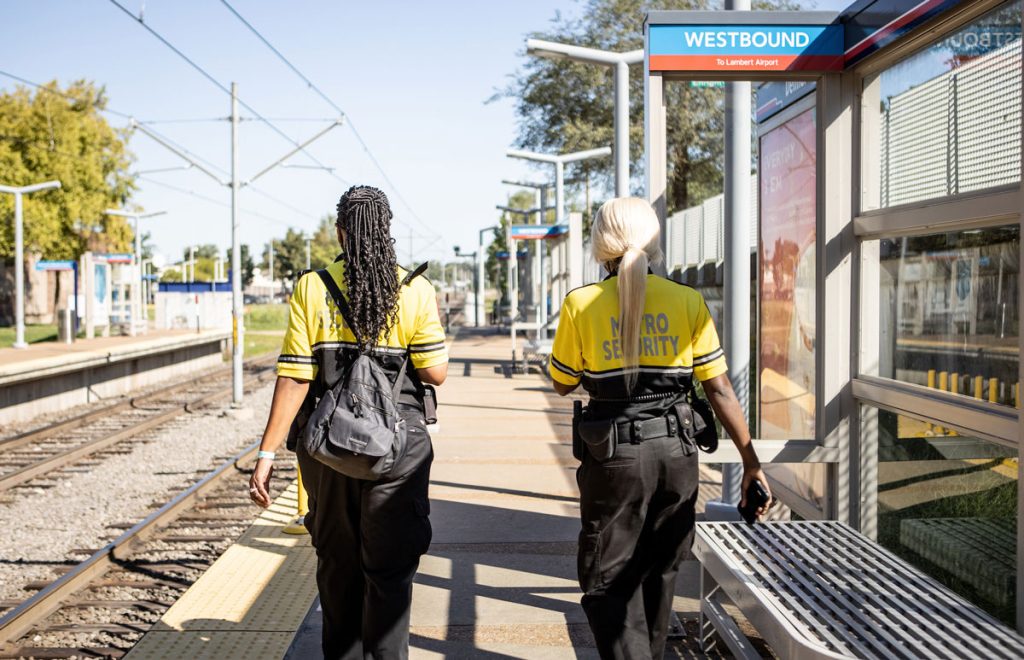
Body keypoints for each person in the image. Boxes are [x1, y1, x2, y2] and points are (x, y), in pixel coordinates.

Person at [548, 197, 771, 659]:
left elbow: (563, 382)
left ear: (601, 244)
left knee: (607, 575)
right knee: (661, 568)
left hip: (614, 460)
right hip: (677, 453)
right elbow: (720, 389)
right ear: (654, 242)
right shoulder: (687, 301)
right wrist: (751, 463)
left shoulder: (581, 304)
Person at [248, 185, 448, 659]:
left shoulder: (312, 287)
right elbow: (434, 372)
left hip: (328, 450)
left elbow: (294, 378)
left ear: (340, 232)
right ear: (387, 232)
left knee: (337, 570)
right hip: (398, 448)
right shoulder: (415, 290)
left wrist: (267, 453)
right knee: (391, 573)